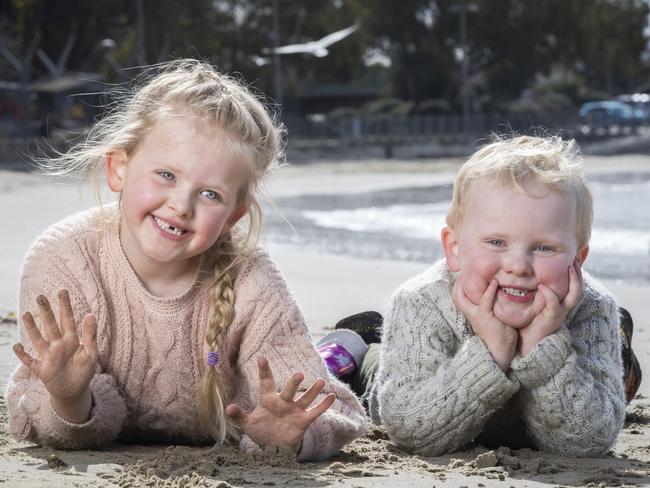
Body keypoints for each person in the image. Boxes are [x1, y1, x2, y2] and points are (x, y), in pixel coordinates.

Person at [5, 59, 366, 460]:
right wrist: (70, 398)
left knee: (332, 369)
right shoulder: (63, 261)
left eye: (210, 194)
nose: (180, 205)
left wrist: (287, 438)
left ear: (232, 217)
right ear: (119, 168)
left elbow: (331, 409)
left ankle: (348, 349)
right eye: (166, 175)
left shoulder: (251, 279)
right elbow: (35, 411)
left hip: (265, 385)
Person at [327, 135, 641, 458]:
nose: (518, 266)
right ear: (454, 249)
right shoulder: (420, 302)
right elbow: (410, 430)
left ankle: (621, 355)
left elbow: (590, 441)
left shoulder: (593, 306)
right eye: (496, 243)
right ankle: (359, 344)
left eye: (544, 248)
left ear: (578, 259)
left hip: (552, 398)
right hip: (413, 375)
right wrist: (490, 353)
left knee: (614, 378)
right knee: (373, 370)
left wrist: (542, 349)